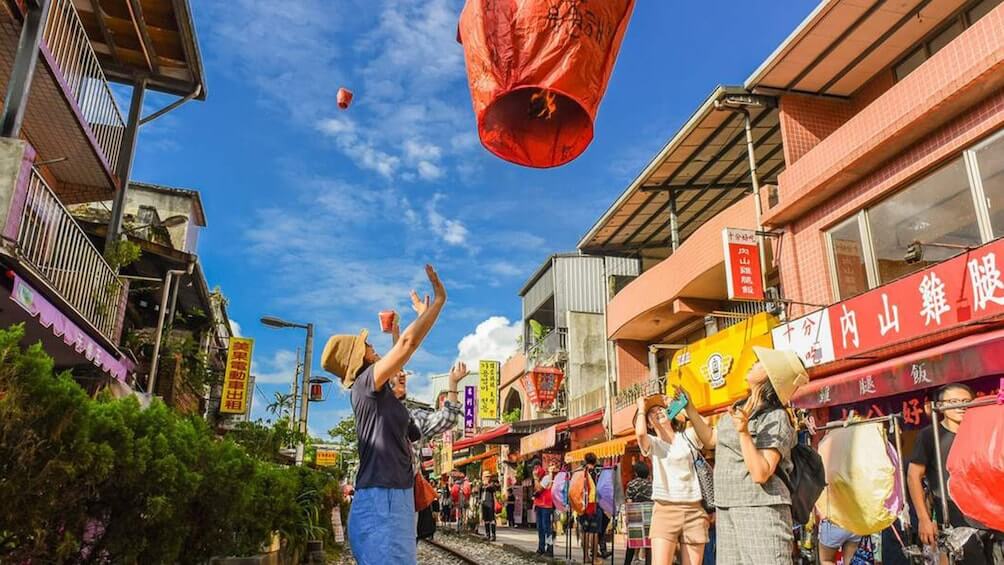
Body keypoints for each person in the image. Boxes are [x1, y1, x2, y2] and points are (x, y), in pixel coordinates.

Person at [324, 264, 446, 565]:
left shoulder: (377, 393)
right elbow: (408, 346)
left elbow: (399, 363)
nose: (371, 345)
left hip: (390, 499)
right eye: (366, 345)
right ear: (359, 359)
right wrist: (440, 300)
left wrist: (414, 321)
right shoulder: (366, 385)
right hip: (384, 501)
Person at [685, 346, 809, 565]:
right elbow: (712, 440)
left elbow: (761, 472)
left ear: (771, 377)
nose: (754, 362)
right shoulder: (739, 407)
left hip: (761, 507)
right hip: (727, 505)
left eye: (761, 362)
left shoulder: (775, 417)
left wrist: (743, 432)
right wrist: (691, 411)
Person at [908, 383, 988, 565]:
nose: (960, 406)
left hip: (986, 515)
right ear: (941, 406)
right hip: (953, 517)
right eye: (953, 401)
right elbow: (914, 476)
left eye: (966, 401)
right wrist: (923, 519)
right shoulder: (929, 435)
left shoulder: (980, 432)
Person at [634, 393, 709, 565]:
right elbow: (640, 435)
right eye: (651, 412)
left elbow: (706, 424)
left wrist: (682, 406)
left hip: (694, 509)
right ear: (648, 423)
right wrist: (641, 409)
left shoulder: (688, 436)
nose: (658, 412)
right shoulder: (653, 443)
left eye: (661, 408)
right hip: (665, 509)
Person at [624, 461, 654, 565]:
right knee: (648, 544)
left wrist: (627, 518)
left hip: (635, 515)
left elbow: (629, 501)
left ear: (636, 472)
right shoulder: (652, 484)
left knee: (632, 542)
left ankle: (627, 563)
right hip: (649, 515)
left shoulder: (631, 484)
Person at [579, 452, 606, 565]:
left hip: (583, 505)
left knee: (585, 531)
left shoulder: (581, 471)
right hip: (595, 505)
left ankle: (585, 557)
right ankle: (594, 558)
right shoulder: (599, 471)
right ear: (595, 461)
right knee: (594, 532)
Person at [533, 464, 557, 556]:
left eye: (536, 469)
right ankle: (541, 548)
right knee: (540, 528)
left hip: (546, 507)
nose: (535, 471)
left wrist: (535, 479)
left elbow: (539, 489)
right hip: (539, 506)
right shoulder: (539, 479)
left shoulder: (546, 478)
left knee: (546, 528)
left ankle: (550, 548)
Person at [481, 473, 501, 541]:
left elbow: (495, 488)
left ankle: (493, 535)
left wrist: (487, 485)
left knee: (492, 519)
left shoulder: (492, 484)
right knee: (486, 520)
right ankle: (487, 534)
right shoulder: (482, 485)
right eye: (485, 477)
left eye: (487, 477)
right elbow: (479, 491)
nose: (486, 478)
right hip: (484, 503)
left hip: (490, 503)